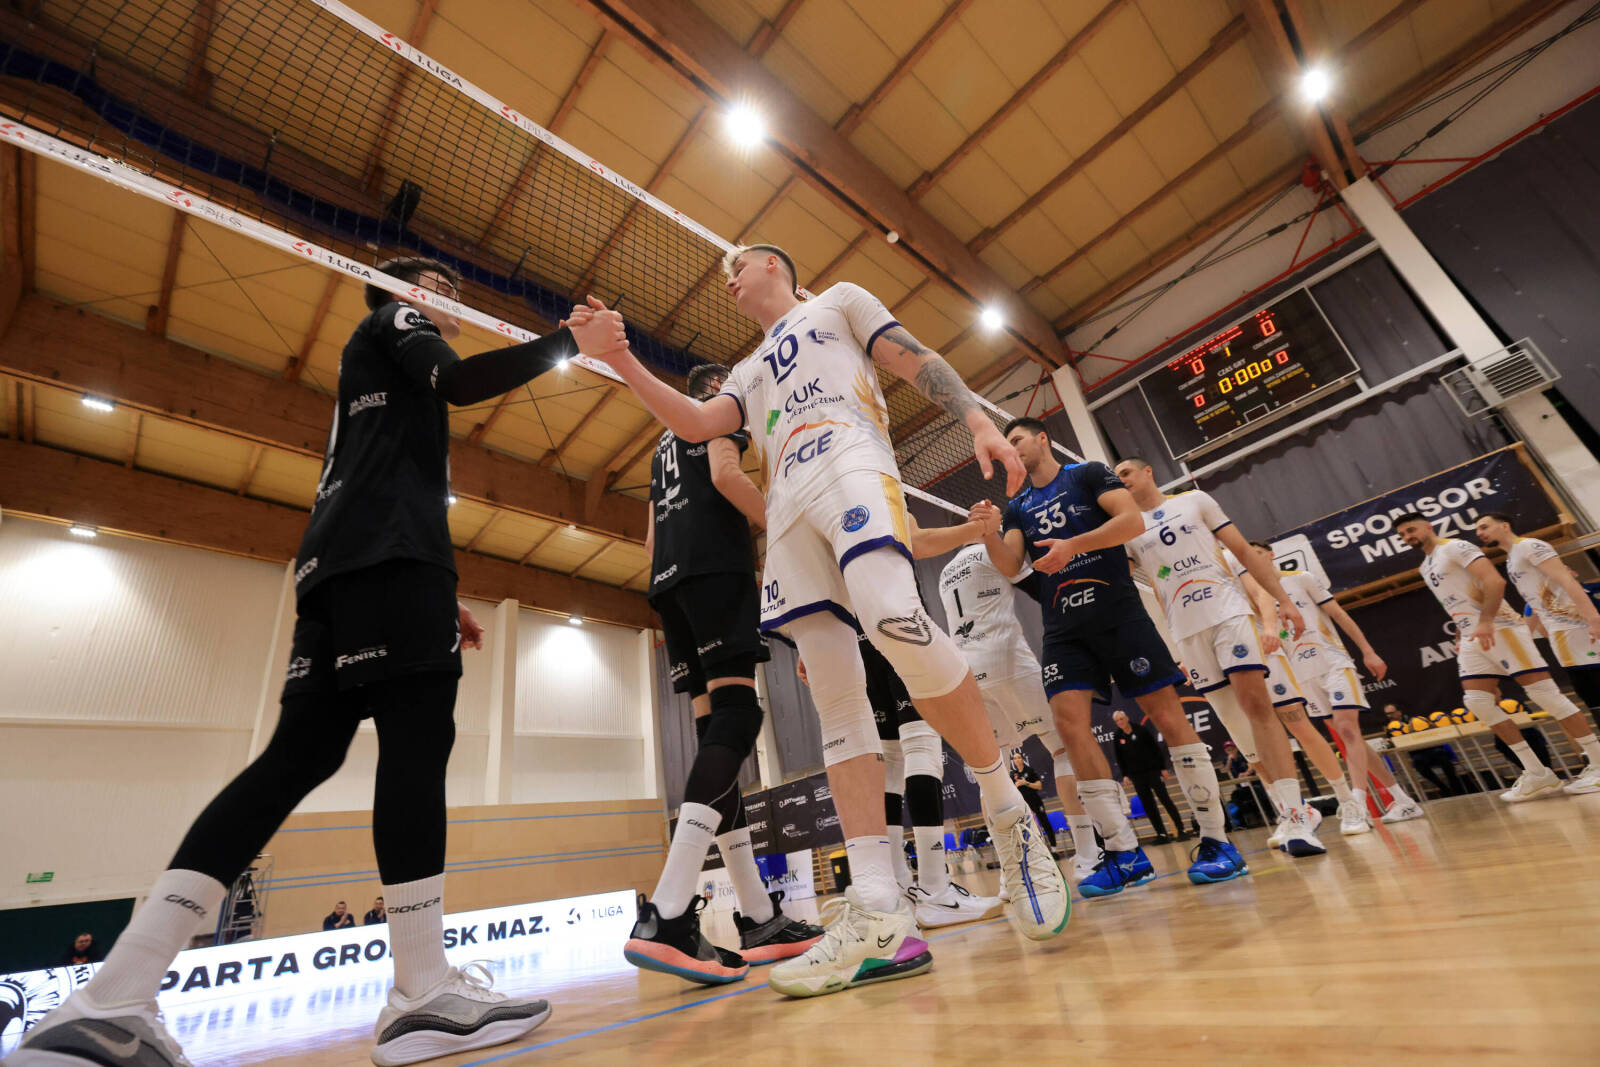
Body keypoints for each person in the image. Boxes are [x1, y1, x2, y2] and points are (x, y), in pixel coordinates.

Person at [14, 257, 617, 1067]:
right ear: (402, 290)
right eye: (437, 285)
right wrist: (569, 343)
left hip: (340, 570)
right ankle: (423, 990)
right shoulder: (398, 318)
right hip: (390, 567)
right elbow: (461, 383)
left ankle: (111, 998)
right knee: (416, 743)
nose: (449, 297)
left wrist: (438, 597)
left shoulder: (371, 363)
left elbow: (382, 472)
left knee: (294, 759)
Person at [578, 243, 1068, 1001]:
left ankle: (1006, 806)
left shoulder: (838, 300)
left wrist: (976, 416)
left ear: (777, 266)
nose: (729, 276)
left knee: (895, 617)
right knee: (835, 697)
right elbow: (700, 422)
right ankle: (878, 910)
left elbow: (913, 357)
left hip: (854, 464)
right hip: (788, 509)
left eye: (740, 264)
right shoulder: (746, 371)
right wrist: (620, 360)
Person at [982, 420, 1248, 899]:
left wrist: (1074, 545)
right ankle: (1125, 853)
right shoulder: (1018, 506)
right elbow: (1010, 565)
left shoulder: (1087, 474)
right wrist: (987, 533)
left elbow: (1131, 522)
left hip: (1118, 613)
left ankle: (1217, 841)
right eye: (1007, 445)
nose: (1012, 449)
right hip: (1063, 626)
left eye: (1017, 440)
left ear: (1041, 439)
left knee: (1167, 715)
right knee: (1069, 726)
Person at [624, 361, 823, 986]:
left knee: (716, 736)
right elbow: (725, 474)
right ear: (718, 389)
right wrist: (784, 527)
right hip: (714, 569)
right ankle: (668, 909)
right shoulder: (718, 414)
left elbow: (650, 541)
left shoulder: (662, 443)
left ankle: (759, 916)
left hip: (668, 585)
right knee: (739, 717)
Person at [1113, 457, 1326, 859]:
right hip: (1187, 630)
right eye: (1115, 477)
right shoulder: (1126, 528)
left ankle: (1297, 815)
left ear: (1148, 472)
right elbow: (1122, 587)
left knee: (1257, 706)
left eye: (1126, 472)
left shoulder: (1193, 500)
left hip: (1229, 613)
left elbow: (1243, 550)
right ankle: (1290, 809)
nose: (1121, 480)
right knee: (1237, 727)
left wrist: (1282, 600)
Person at [938, 507, 1104, 882]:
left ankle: (1011, 871)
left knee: (992, 772)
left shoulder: (946, 573)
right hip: (1007, 660)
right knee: (1063, 748)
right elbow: (1036, 584)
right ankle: (1087, 853)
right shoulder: (992, 552)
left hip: (969, 672)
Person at [1396, 512, 1599, 800]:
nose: (1408, 537)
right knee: (1477, 702)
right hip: (1472, 636)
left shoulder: (1456, 547)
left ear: (1428, 527)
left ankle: (1598, 760)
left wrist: (1486, 620)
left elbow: (1494, 582)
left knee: (1545, 695)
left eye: (1411, 529)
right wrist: (1461, 632)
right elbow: (1457, 602)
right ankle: (1537, 773)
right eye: (1402, 535)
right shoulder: (1424, 566)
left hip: (1501, 627)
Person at [1231, 544, 1423, 837]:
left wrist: (1368, 651)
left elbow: (1340, 615)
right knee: (1349, 738)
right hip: (1302, 676)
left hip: (1333, 662)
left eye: (1256, 553)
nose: (1251, 559)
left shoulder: (1301, 578)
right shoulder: (1253, 596)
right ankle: (1401, 799)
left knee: (1347, 730)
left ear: (1270, 554)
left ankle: (1356, 804)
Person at [1476, 512, 1600, 792]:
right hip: (1559, 630)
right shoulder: (1512, 558)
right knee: (1588, 693)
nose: (1480, 533)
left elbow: (1568, 581)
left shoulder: (1530, 546)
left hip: (1575, 625)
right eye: (1478, 530)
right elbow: (1535, 600)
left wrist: (1594, 618)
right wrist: (1530, 632)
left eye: (1484, 526)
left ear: (1504, 525)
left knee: (1593, 690)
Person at [1111, 710, 1188, 844]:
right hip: (1136, 775)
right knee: (1148, 805)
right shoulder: (1118, 736)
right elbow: (1120, 758)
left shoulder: (1141, 730)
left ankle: (1181, 830)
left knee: (1165, 799)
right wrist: (1125, 775)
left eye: (1121, 719)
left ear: (1127, 718)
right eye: (1117, 721)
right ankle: (1161, 834)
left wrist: (1162, 768)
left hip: (1153, 771)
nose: (1120, 722)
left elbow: (1155, 749)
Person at [1384, 704, 1468, 798]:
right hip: (1417, 753)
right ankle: (1443, 788)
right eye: (1387, 714)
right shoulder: (1390, 729)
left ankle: (1456, 786)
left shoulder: (1415, 720)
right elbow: (1392, 743)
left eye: (1391, 713)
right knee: (1418, 764)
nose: (1389, 716)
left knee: (1443, 757)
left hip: (1432, 748)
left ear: (1399, 712)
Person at [1010, 750, 1058, 849]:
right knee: (1029, 826)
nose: (1017, 760)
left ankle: (1053, 847)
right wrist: (1015, 786)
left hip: (1035, 801)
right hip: (1023, 804)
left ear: (1022, 759)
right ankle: (1038, 848)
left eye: (1018, 757)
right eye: (1014, 758)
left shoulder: (1029, 771)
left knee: (1044, 822)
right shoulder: (1013, 774)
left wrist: (1026, 783)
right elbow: (1011, 790)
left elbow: (1039, 786)